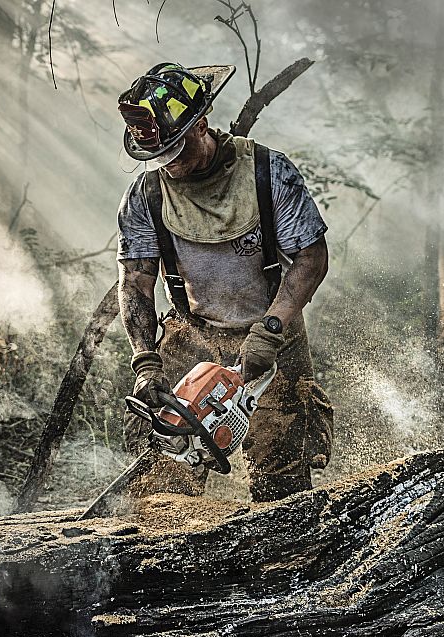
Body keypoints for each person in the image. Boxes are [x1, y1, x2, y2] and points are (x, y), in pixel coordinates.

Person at [115, 62, 333, 502]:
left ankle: (284, 555)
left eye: (174, 152)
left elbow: (311, 257)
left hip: (273, 333)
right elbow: (136, 281)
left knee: (283, 480)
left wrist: (272, 329)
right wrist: (145, 361)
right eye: (157, 158)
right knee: (164, 478)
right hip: (190, 333)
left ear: (201, 125)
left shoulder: (268, 173)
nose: (167, 166)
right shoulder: (147, 194)